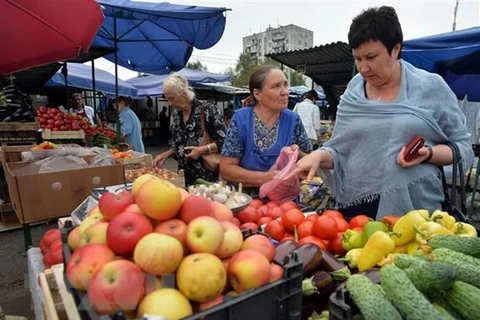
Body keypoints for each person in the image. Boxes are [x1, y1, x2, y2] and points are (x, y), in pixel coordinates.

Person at [288, 6, 474, 219]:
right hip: (356, 209)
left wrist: (428, 154)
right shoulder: (354, 91)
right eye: (358, 59)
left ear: (395, 49)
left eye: (371, 57)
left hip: (416, 212)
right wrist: (319, 155)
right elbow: (341, 151)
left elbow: (463, 149)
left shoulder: (431, 87)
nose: (363, 68)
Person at [220, 65, 312, 194]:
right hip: (245, 200)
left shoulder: (293, 120)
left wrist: (299, 156)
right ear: (257, 94)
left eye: (285, 85)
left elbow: (309, 162)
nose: (285, 91)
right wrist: (264, 178)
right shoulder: (241, 119)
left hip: (284, 202)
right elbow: (226, 169)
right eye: (276, 86)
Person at [153, 73, 227, 186]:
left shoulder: (207, 109)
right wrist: (167, 154)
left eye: (172, 98)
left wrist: (202, 150)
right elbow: (179, 144)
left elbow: (225, 142)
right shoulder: (175, 113)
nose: (169, 103)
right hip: (182, 176)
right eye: (167, 99)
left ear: (183, 94)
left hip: (205, 177)